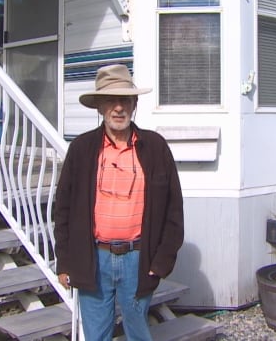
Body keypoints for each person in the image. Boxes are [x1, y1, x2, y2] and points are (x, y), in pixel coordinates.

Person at [53, 64, 184, 340]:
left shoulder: (156, 147)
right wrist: (64, 261)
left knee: (138, 334)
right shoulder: (81, 149)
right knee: (96, 335)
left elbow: (174, 212)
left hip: (138, 259)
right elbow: (62, 209)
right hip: (92, 260)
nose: (118, 108)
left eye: (125, 99)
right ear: (99, 106)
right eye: (111, 100)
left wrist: (161, 261)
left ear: (134, 103)